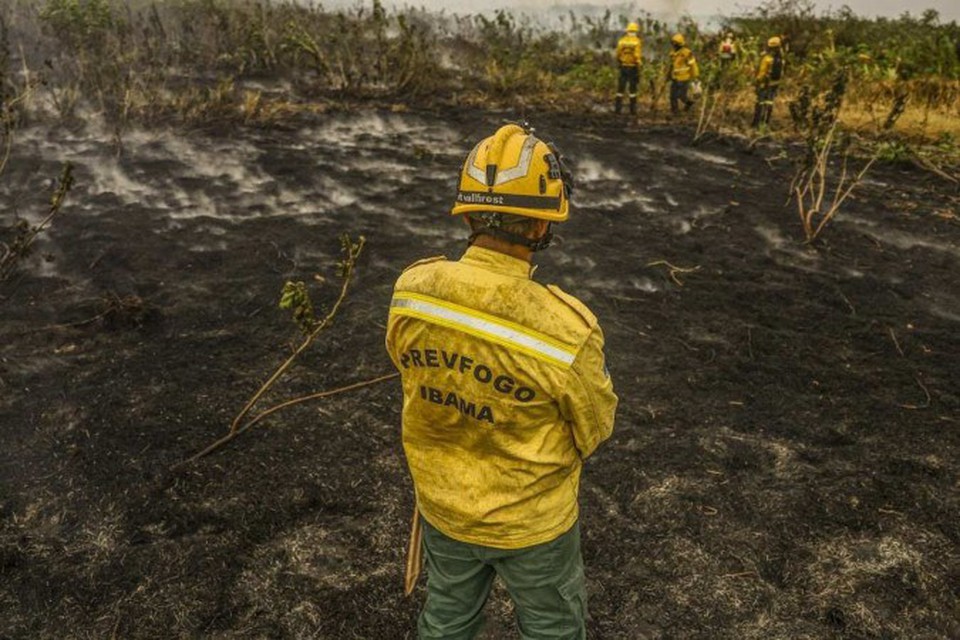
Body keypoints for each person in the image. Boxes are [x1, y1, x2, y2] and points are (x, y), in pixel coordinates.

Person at [386, 123, 618, 639]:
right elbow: (595, 430)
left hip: (443, 506)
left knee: (446, 620)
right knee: (553, 629)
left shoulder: (412, 291)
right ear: (541, 228)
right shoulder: (567, 328)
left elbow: (409, 370)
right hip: (533, 524)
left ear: (466, 213)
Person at [752, 36, 785, 128]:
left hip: (764, 85)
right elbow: (781, 73)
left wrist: (757, 82)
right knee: (769, 102)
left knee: (760, 103)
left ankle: (757, 123)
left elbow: (762, 74)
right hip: (774, 84)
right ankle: (765, 123)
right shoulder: (781, 60)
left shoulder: (767, 59)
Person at [614, 22, 643, 115]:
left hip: (623, 66)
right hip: (633, 67)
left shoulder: (622, 41)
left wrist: (620, 61)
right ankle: (633, 110)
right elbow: (637, 55)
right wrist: (639, 65)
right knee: (632, 89)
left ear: (627, 31)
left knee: (620, 88)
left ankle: (617, 110)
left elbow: (618, 53)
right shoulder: (637, 41)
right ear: (635, 31)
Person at [667, 33, 699, 114]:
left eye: (675, 43)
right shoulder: (672, 54)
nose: (673, 45)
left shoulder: (687, 53)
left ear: (679, 44)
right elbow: (671, 66)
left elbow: (693, 65)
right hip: (675, 78)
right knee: (672, 96)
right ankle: (675, 112)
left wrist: (695, 76)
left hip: (684, 78)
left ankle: (689, 104)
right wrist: (668, 75)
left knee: (682, 97)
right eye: (673, 43)